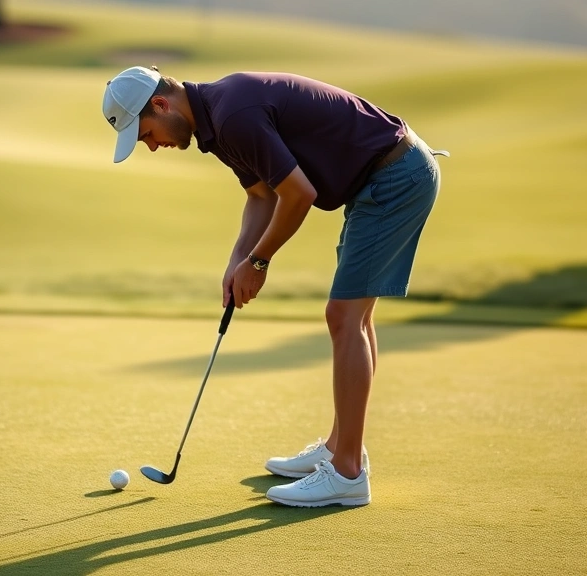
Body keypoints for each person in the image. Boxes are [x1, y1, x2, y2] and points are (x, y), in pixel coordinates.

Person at [101, 66, 447, 508]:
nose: (150, 145)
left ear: (161, 104)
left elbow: (297, 194)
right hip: (384, 174)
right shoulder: (215, 122)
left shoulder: (232, 117)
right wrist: (237, 261)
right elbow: (262, 195)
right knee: (353, 317)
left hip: (396, 175)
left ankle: (347, 473)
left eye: (144, 133)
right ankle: (341, 446)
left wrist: (259, 261)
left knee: (344, 317)